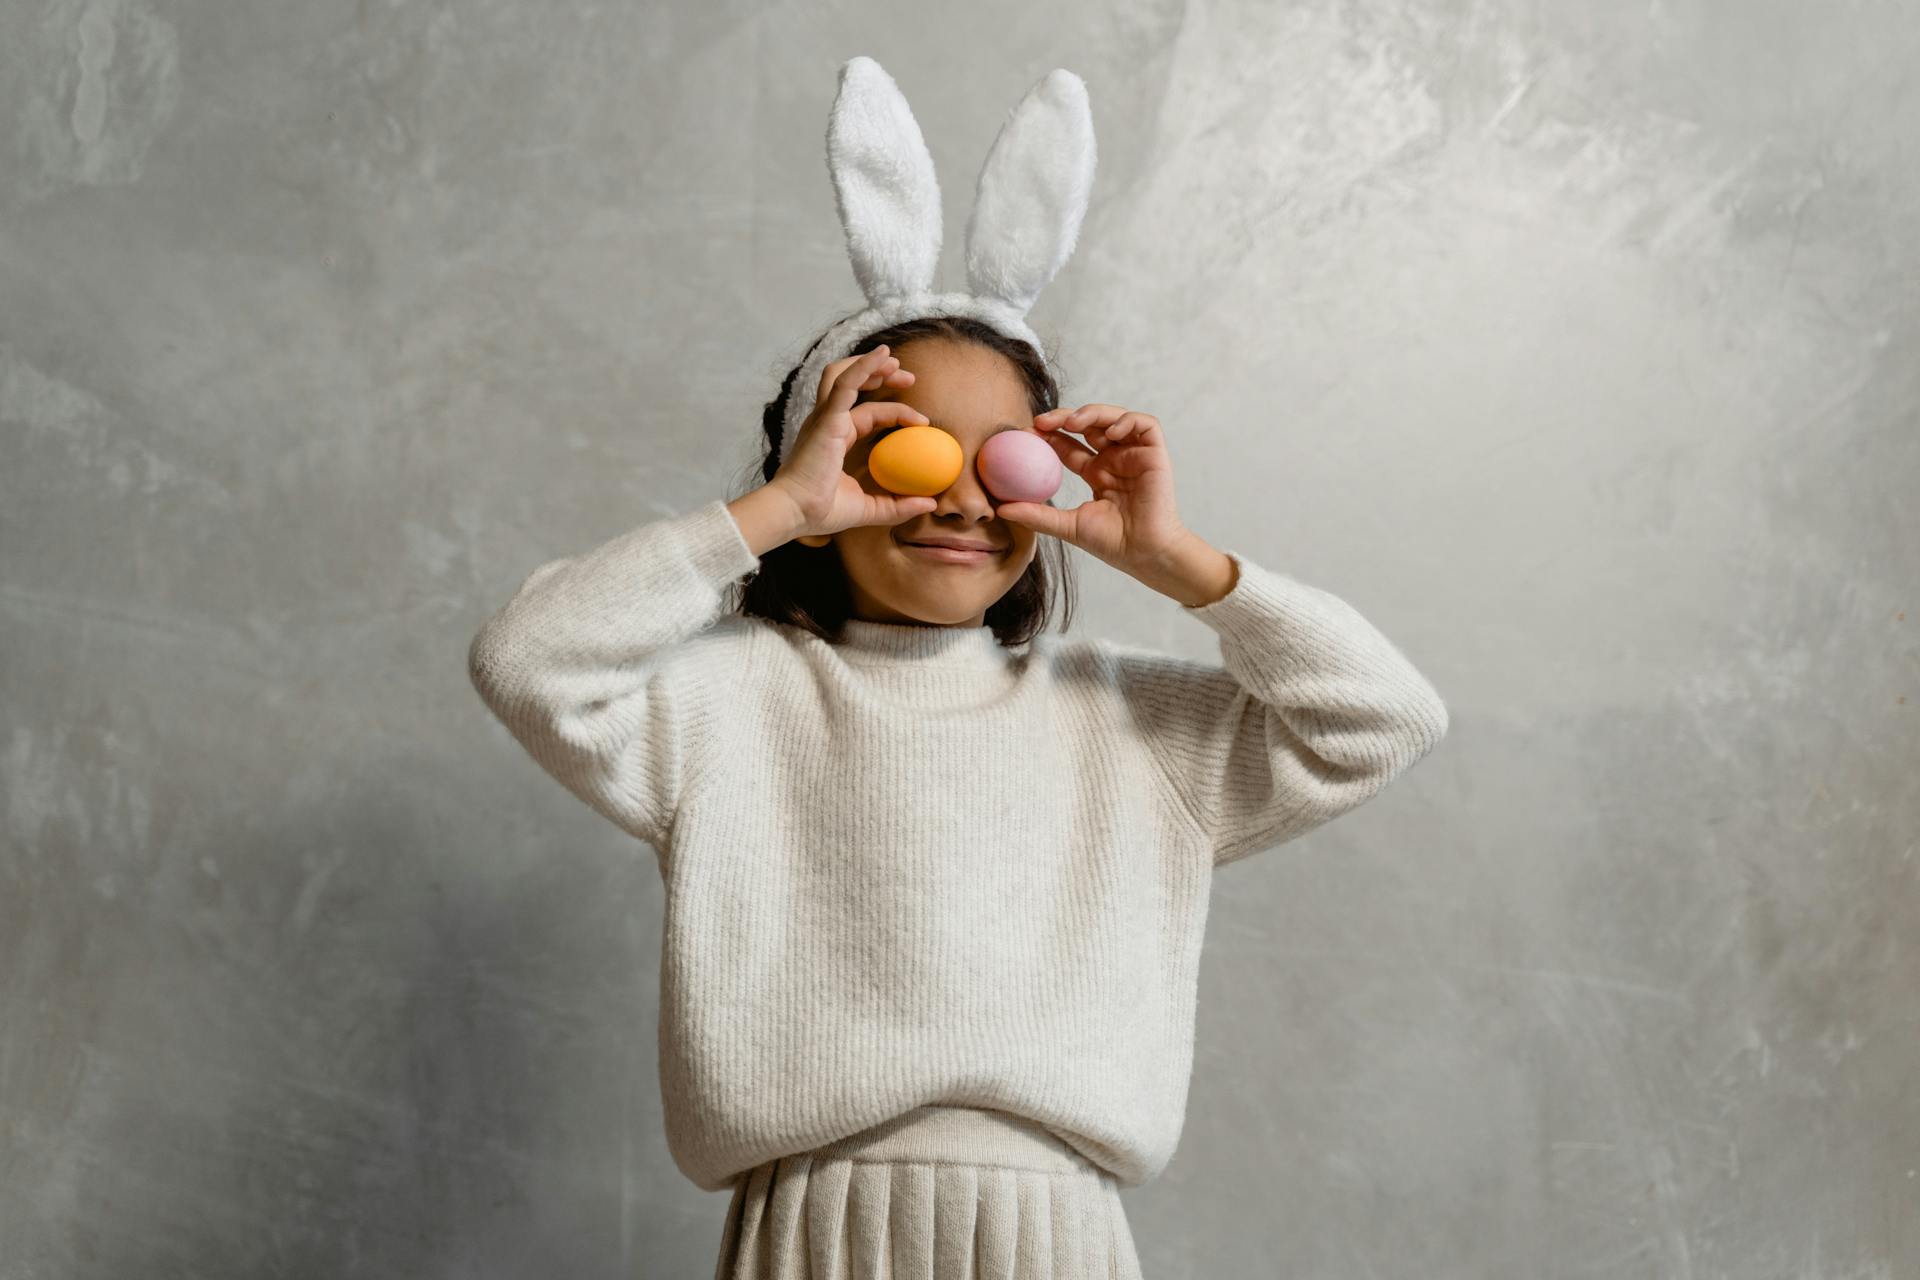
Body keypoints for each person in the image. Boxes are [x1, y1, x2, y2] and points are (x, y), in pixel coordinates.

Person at [466, 57, 1450, 1280]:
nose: (964, 500)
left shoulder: (1126, 722)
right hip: (809, 1225)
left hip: (1061, 1232)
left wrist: (1178, 558)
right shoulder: (735, 701)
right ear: (825, 472)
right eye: (909, 452)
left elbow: (1381, 717)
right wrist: (771, 508)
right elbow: (528, 658)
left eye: (1011, 462)